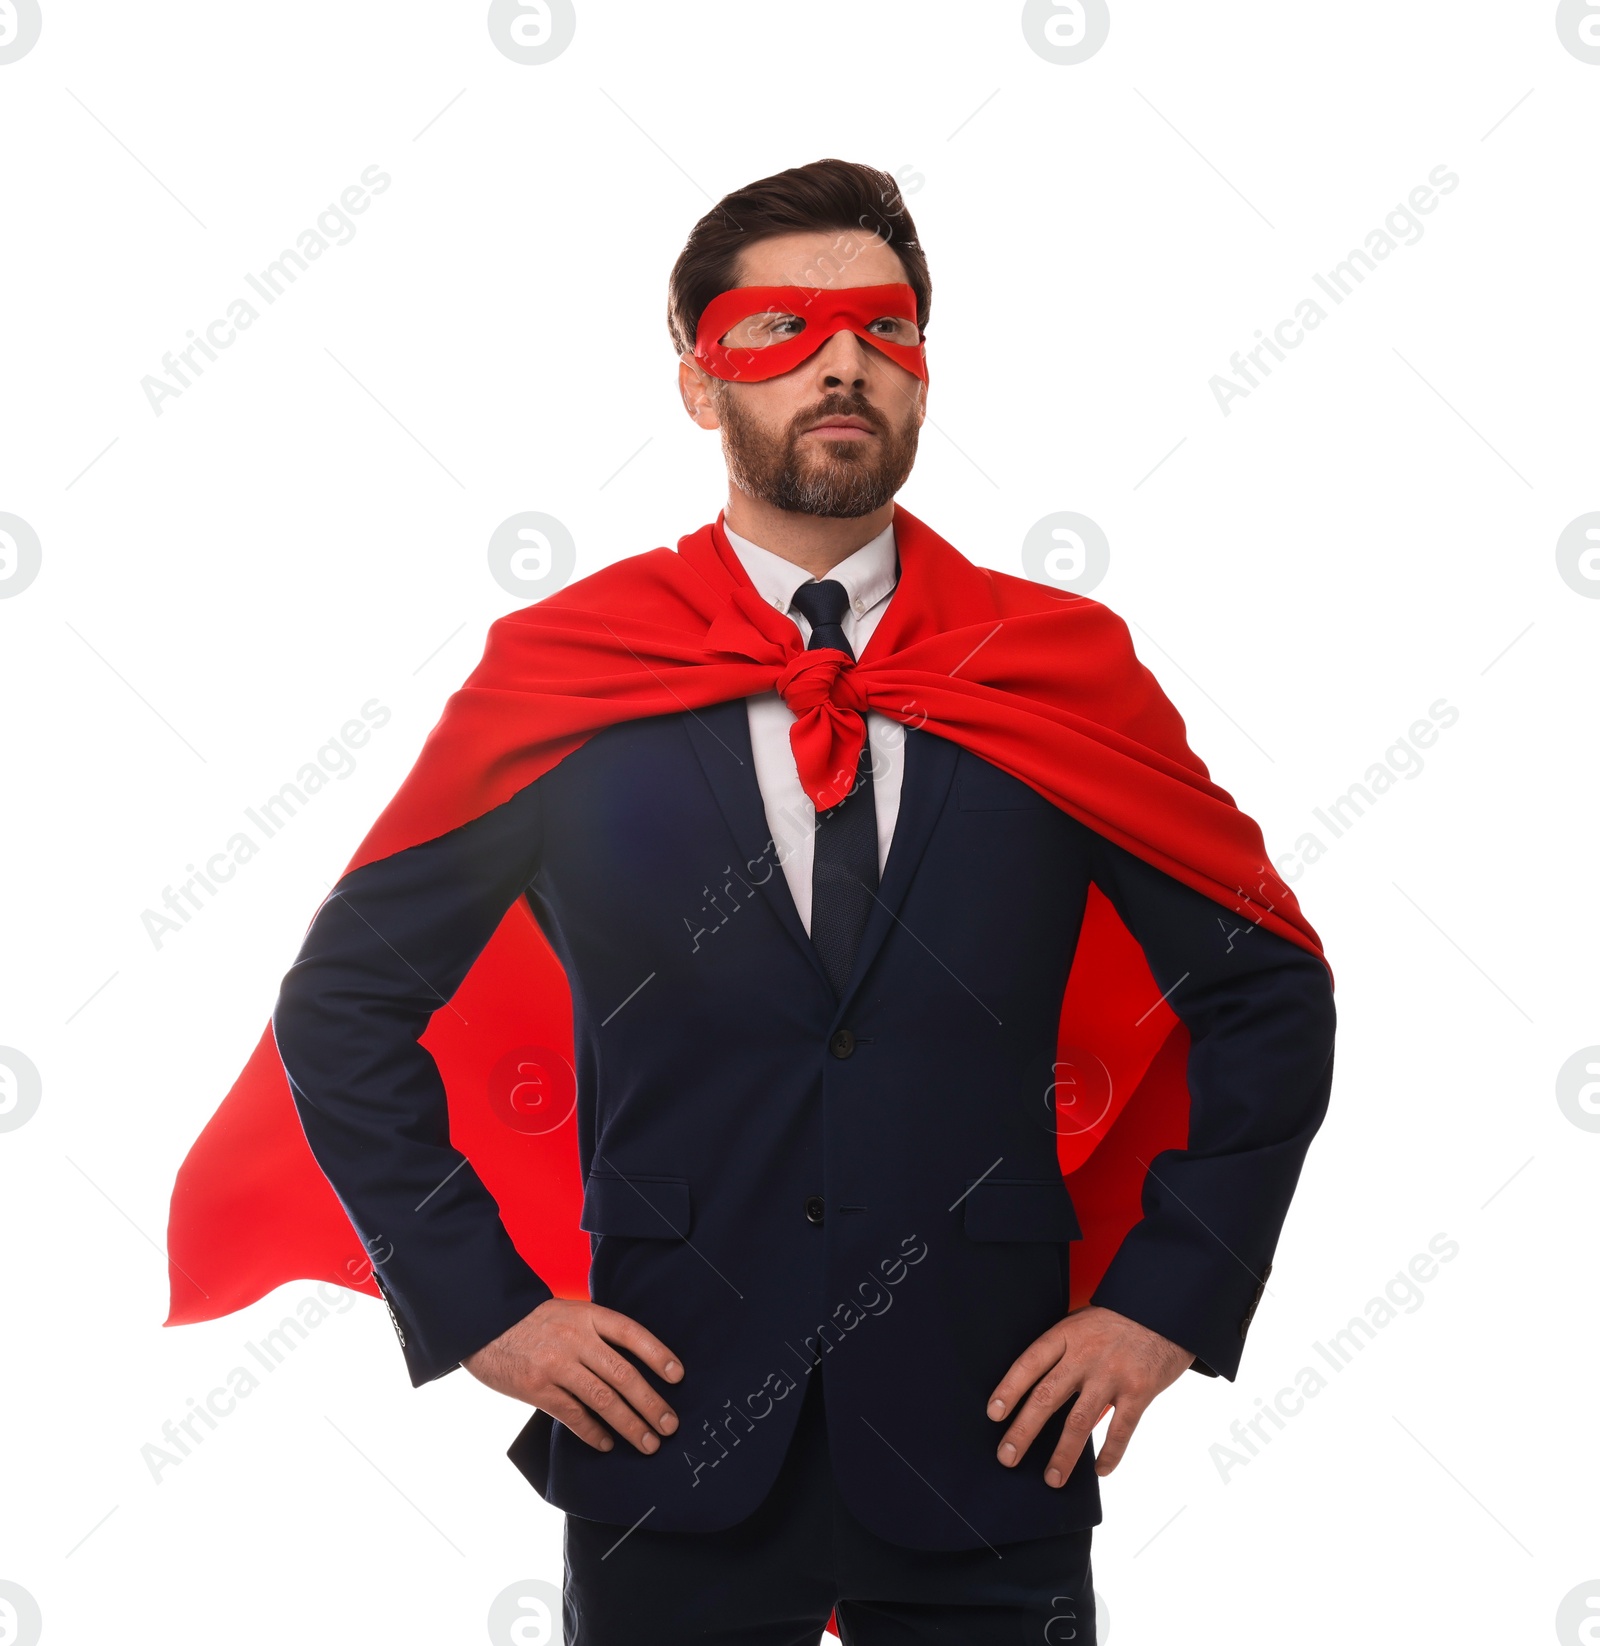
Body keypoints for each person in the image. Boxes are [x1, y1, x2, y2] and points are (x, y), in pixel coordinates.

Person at [267, 158, 1336, 1643]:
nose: (843, 360)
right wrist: (487, 1308)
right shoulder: (571, 670)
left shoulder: (1058, 665)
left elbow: (1267, 986)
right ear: (703, 386)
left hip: (991, 1435)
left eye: (883, 330)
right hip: (666, 1425)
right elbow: (345, 1003)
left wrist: (1170, 1294)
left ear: (919, 373)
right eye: (781, 329)